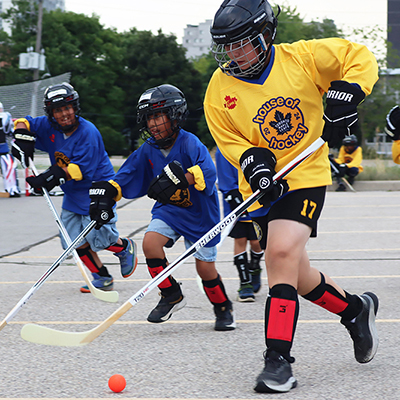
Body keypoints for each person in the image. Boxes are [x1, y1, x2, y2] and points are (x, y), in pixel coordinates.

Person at [204, 0, 379, 393]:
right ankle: (355, 310)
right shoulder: (219, 87)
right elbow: (228, 140)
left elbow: (359, 55)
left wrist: (348, 91)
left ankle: (278, 359)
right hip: (264, 187)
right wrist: (252, 160)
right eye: (227, 46)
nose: (234, 54)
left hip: (305, 174)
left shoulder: (302, 58)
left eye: (242, 43)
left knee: (278, 255)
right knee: (296, 276)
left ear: (266, 35)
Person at [88, 84, 236, 331]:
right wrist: (107, 195)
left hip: (201, 215)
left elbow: (208, 171)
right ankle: (171, 294)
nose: (153, 124)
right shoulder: (148, 149)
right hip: (170, 210)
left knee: (205, 270)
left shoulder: (190, 143)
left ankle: (222, 307)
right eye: (149, 118)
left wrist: (182, 178)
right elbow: (126, 175)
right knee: (150, 244)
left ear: (174, 115)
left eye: (159, 116)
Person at [11, 82, 138, 292]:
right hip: (72, 194)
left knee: (101, 239)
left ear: (75, 107)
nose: (64, 114)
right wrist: (21, 137)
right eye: (58, 110)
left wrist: (46, 179)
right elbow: (23, 122)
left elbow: (77, 171)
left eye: (67, 108)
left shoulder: (89, 133)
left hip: (97, 191)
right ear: (51, 113)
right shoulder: (48, 125)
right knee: (72, 240)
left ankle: (124, 247)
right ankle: (102, 277)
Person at [215, 147, 263, 301]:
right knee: (240, 239)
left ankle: (254, 268)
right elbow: (224, 175)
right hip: (236, 201)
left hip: (257, 198)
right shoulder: (224, 147)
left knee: (257, 241)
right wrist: (232, 195)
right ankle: (245, 282)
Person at [0, 101, 20, 197]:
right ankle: (12, 190)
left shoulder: (4, 117)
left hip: (3, 149)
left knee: (10, 166)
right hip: (3, 148)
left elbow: (10, 132)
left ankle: (12, 189)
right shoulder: (5, 117)